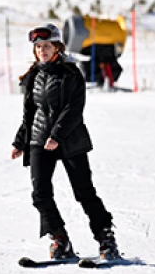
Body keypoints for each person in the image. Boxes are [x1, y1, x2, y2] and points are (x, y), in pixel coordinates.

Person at [11, 23, 120, 261]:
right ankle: (59, 239)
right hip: (39, 140)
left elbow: (74, 109)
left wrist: (57, 135)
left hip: (70, 139)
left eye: (47, 46)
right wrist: (20, 141)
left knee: (84, 192)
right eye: (38, 47)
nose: (42, 50)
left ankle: (106, 238)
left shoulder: (71, 73)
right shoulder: (33, 76)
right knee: (40, 194)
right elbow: (30, 114)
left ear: (57, 47)